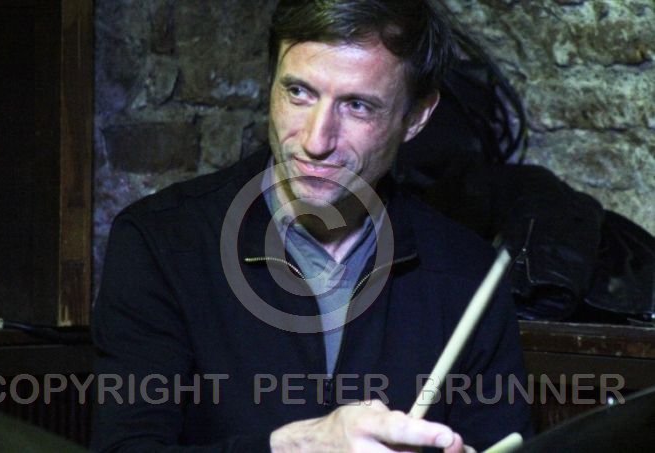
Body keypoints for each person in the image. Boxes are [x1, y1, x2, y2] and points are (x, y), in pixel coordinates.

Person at [91, 1, 532, 451]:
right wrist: (297, 446)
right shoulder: (160, 244)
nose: (316, 141)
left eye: (357, 106)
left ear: (416, 116)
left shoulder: (468, 274)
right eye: (299, 92)